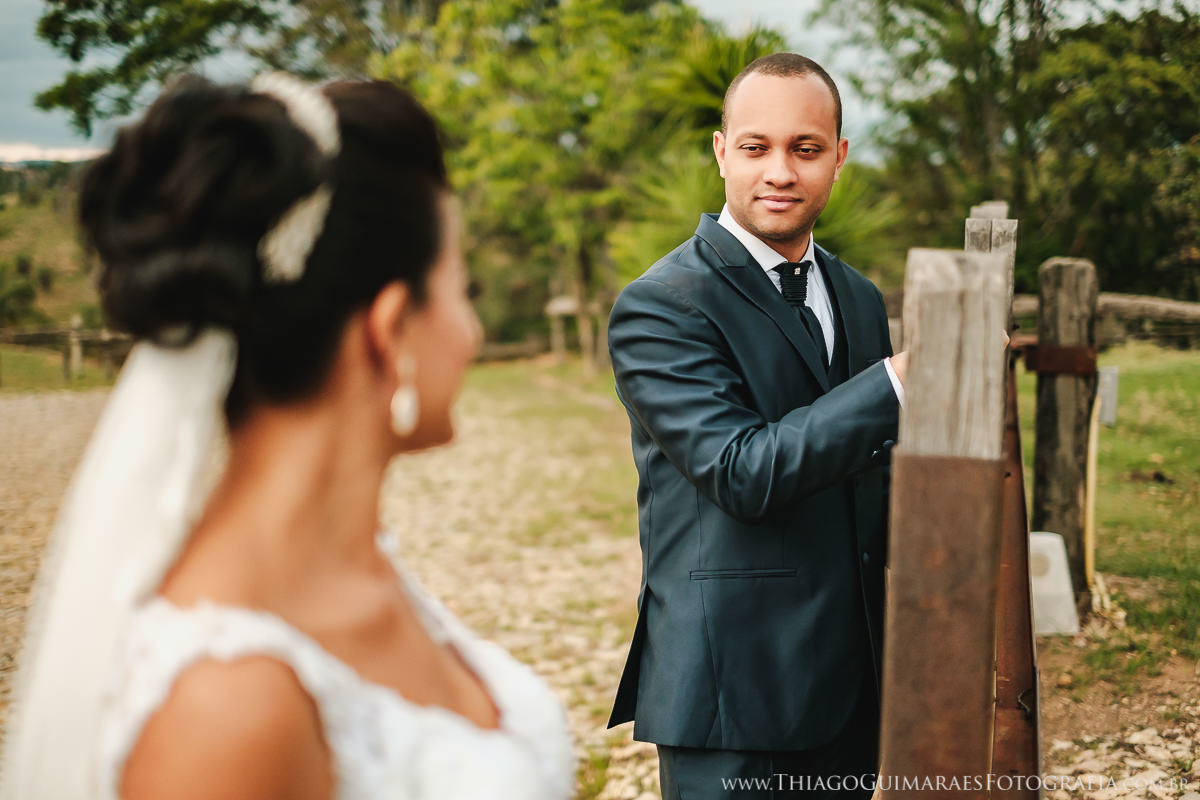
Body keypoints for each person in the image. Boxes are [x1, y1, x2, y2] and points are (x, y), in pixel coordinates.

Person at [0, 74, 574, 800]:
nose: (474, 332)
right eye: (464, 290)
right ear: (391, 329)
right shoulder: (225, 707)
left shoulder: (366, 566)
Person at [605, 53, 909, 798]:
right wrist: (899, 382)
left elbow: (875, 477)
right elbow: (742, 472)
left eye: (805, 149)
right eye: (756, 147)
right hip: (732, 695)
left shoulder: (860, 298)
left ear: (837, 158)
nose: (780, 171)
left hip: (857, 687)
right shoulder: (661, 306)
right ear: (721, 153)